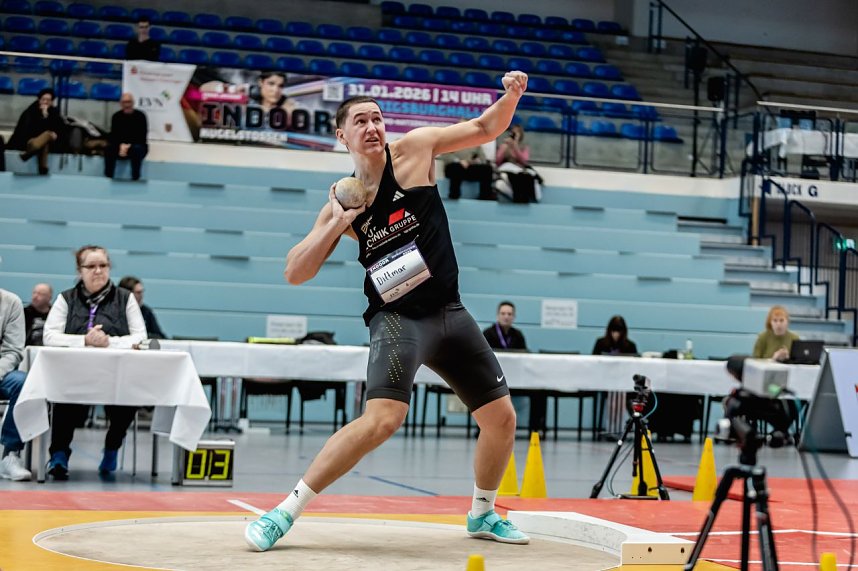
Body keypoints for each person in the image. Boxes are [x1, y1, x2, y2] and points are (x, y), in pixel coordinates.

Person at [245, 71, 531, 552]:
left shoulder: (415, 151)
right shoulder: (345, 198)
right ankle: (283, 512)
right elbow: (296, 271)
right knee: (383, 419)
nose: (374, 126)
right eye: (361, 120)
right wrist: (334, 226)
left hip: (449, 312)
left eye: (378, 117)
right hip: (398, 319)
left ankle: (482, 514)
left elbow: (484, 129)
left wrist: (511, 97)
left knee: (502, 419)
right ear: (342, 135)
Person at [43, 245, 147, 479]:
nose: (98, 271)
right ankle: (59, 454)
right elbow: (49, 335)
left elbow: (141, 336)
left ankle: (112, 447)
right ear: (80, 270)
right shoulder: (66, 298)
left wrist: (108, 342)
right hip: (74, 373)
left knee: (130, 396)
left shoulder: (125, 298)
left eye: (103, 265)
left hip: (116, 373)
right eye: (91, 266)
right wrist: (85, 340)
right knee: (63, 396)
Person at [481, 301, 545, 435]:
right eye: (503, 313)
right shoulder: (487, 333)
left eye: (509, 314)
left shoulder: (518, 335)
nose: (506, 316)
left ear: (514, 317)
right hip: (493, 381)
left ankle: (535, 430)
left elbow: (524, 357)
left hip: (516, 381)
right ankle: (483, 428)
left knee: (539, 391)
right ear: (498, 315)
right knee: (481, 392)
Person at [0, 289, 32, 481]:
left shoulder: (11, 302)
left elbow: (13, 350)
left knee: (25, 383)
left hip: (2, 372)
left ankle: (11, 456)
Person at [8, 88, 65, 175]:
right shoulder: (30, 112)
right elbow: (27, 131)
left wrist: (46, 117)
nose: (45, 102)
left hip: (49, 144)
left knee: (46, 138)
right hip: (30, 141)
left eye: (48, 100)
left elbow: (60, 131)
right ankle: (42, 167)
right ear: (39, 100)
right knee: (47, 135)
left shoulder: (55, 114)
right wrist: (44, 117)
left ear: (52, 102)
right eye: (43, 99)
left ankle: (27, 155)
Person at [105, 93, 149, 181]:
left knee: (137, 149)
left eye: (129, 102)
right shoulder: (116, 116)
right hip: (120, 146)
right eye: (124, 102)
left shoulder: (141, 116)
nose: (127, 105)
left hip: (136, 145)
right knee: (109, 148)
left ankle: (135, 178)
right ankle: (108, 177)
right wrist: (121, 145)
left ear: (133, 103)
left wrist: (128, 145)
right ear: (121, 104)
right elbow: (114, 135)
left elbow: (142, 137)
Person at [494, 124, 542, 203]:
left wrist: (515, 146)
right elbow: (498, 161)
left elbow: (524, 161)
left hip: (519, 169)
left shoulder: (524, 147)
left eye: (517, 132)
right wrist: (505, 148)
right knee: (506, 180)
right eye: (513, 132)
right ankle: (517, 196)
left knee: (528, 175)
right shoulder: (504, 145)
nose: (514, 134)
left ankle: (532, 196)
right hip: (506, 168)